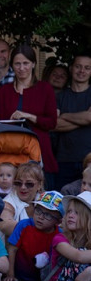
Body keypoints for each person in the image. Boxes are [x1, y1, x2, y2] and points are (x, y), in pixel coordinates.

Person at [0, 44, 58, 188]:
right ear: (12, 66)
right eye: (17, 64)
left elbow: (52, 122)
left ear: (33, 64)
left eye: (26, 63)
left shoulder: (45, 89)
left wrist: (28, 116)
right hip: (9, 152)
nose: (22, 68)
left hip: (39, 150)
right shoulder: (3, 91)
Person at [2, 191, 63, 281]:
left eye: (48, 215)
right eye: (38, 211)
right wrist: (10, 274)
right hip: (20, 278)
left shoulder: (59, 234)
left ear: (58, 221)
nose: (41, 217)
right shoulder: (24, 225)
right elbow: (12, 249)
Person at [46, 192, 91, 281]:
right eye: (69, 211)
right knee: (81, 254)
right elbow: (79, 257)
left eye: (77, 213)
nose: (71, 215)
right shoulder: (59, 239)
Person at [53, 54, 91, 190]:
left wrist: (64, 115)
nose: (82, 71)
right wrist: (84, 119)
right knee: (62, 203)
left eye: (87, 68)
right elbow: (55, 124)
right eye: (78, 67)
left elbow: (90, 118)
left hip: (89, 159)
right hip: (64, 160)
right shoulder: (59, 96)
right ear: (71, 68)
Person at [0, 161, 44, 242]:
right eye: (18, 183)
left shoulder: (44, 199)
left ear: (39, 185)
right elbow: (4, 225)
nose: (23, 187)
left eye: (29, 184)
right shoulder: (8, 203)